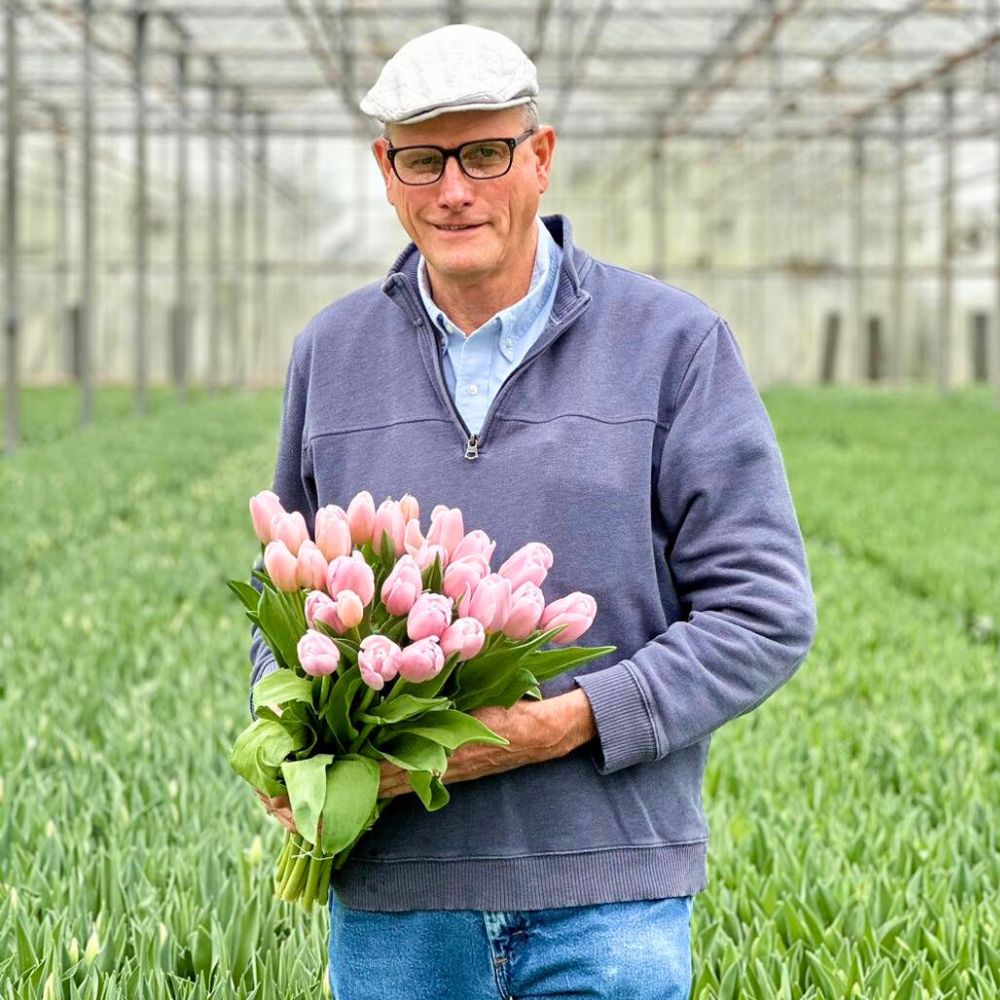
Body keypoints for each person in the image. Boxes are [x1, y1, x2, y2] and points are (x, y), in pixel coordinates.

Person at [249, 22, 817, 1000]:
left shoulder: (672, 345)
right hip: (392, 902)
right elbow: (286, 591)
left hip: (610, 899)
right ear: (386, 171)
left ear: (540, 156)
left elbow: (762, 611)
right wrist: (282, 734)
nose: (454, 189)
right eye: (422, 159)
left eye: (485, 152)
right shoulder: (330, 354)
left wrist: (567, 721)